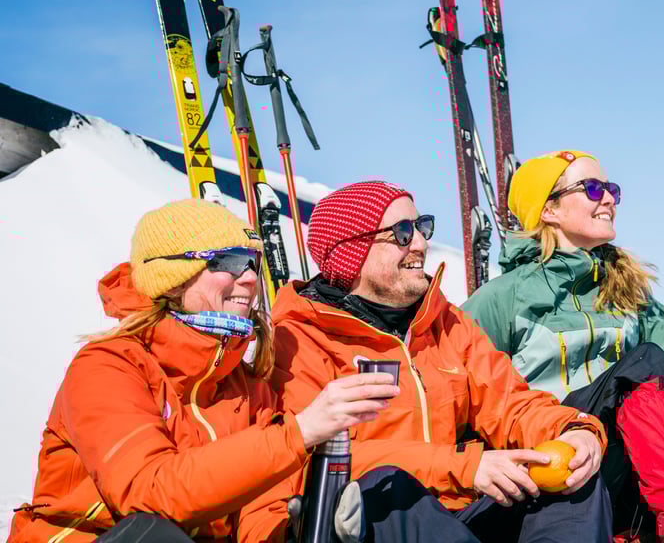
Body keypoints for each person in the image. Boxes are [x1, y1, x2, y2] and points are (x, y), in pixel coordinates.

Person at [8, 199, 395, 543]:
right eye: (227, 261)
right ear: (172, 279)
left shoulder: (246, 385)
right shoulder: (108, 366)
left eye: (253, 262)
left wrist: (293, 530)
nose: (249, 277)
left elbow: (255, 512)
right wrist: (299, 432)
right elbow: (149, 492)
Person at [270, 180, 612, 543]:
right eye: (403, 232)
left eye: (422, 227)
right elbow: (310, 456)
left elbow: (510, 403)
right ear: (352, 251)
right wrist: (463, 466)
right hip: (380, 521)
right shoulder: (301, 337)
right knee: (389, 489)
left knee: (572, 481)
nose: (420, 243)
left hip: (459, 511)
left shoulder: (443, 322)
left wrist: (575, 430)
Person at [462, 150, 664, 543]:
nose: (609, 198)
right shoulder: (503, 298)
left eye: (611, 189)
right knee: (644, 363)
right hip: (554, 461)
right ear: (549, 210)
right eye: (592, 189)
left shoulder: (626, 291)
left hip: (626, 468)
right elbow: (457, 385)